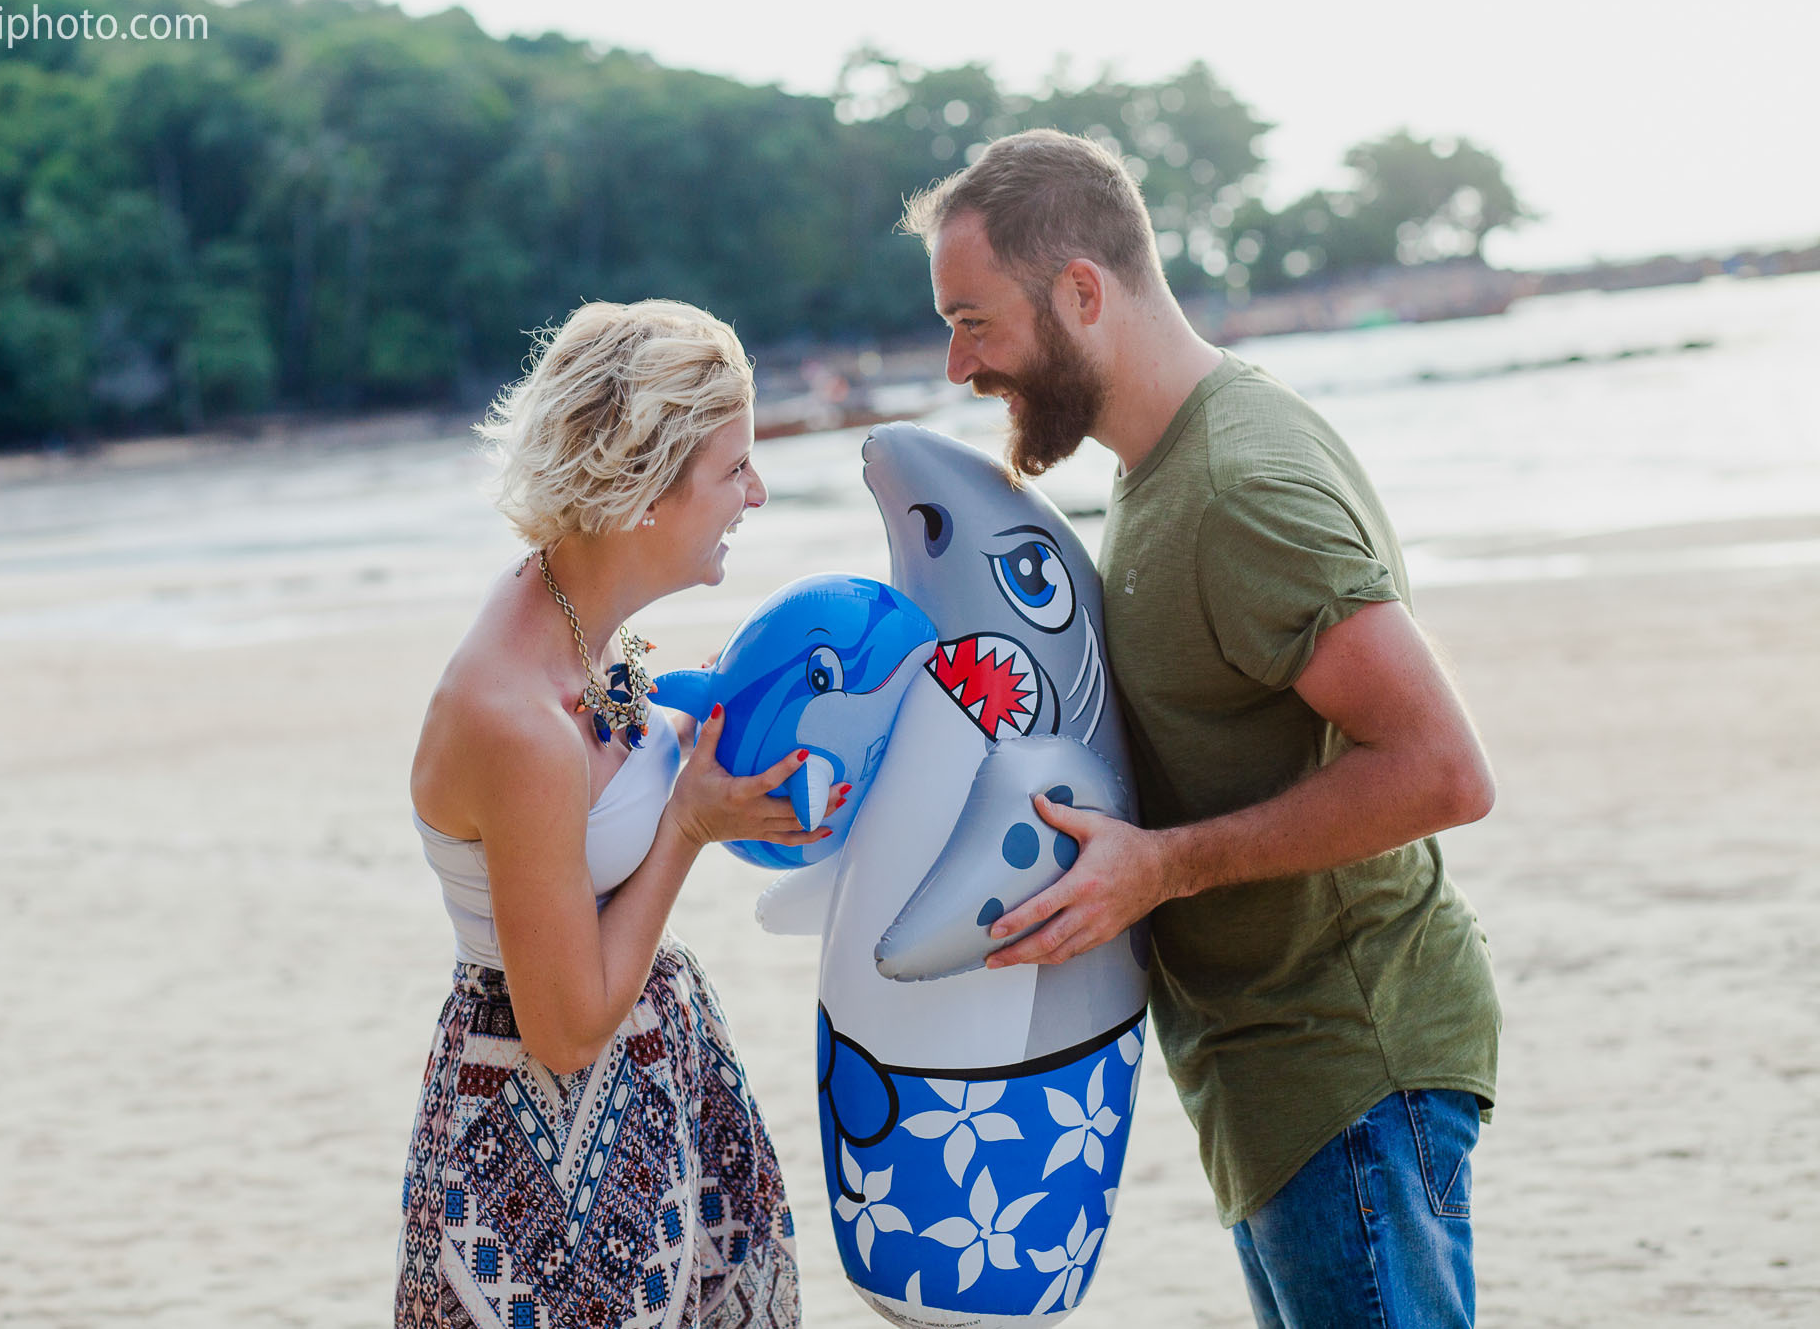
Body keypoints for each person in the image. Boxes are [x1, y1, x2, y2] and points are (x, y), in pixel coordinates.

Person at [899, 130, 1502, 1327]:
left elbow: (1440, 771)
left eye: (974, 320)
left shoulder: (1237, 485)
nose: (957, 364)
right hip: (1274, 1078)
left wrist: (1163, 866)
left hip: (1346, 1067)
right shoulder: (1160, 464)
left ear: (1080, 290)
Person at [394, 300, 816, 1329]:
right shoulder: (517, 718)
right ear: (642, 487)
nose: (754, 492)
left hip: (655, 1086)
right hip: (544, 1147)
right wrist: (688, 823)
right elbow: (567, 1026)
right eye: (732, 470)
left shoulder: (577, 616)